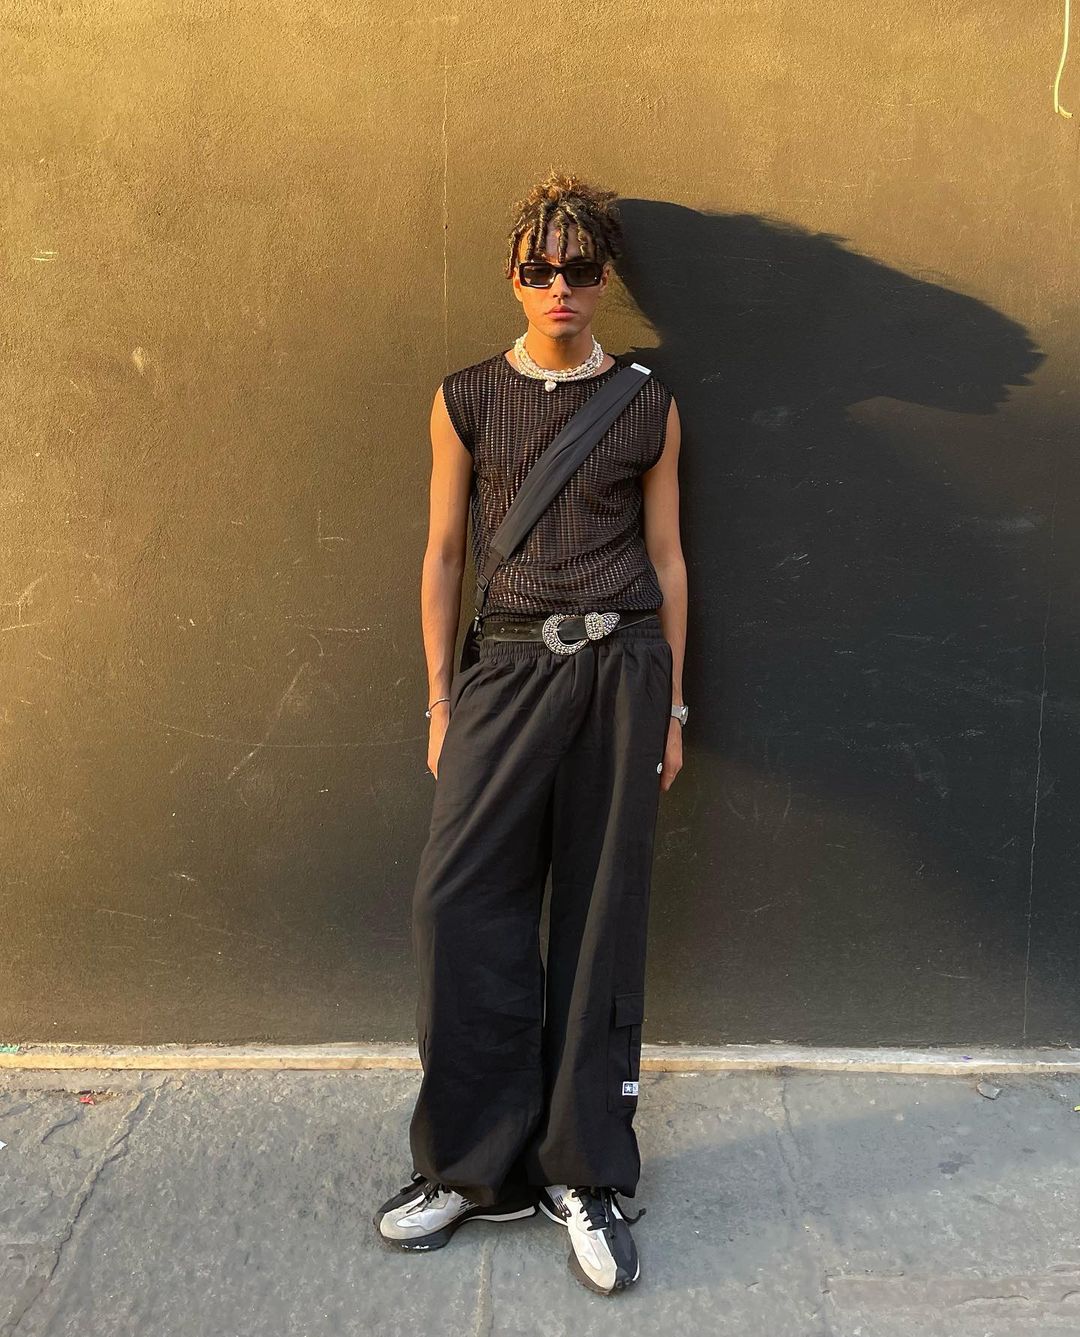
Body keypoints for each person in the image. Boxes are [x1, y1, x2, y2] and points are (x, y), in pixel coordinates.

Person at [373, 170, 688, 1296]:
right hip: (504, 668)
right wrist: (439, 700)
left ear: (603, 280)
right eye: (539, 268)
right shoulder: (465, 397)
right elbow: (443, 552)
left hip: (623, 669)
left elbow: (668, 560)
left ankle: (582, 1172)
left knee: (601, 919)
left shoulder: (647, 405)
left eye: (580, 268)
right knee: (458, 903)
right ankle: (470, 1164)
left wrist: (675, 705)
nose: (560, 286)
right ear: (513, 276)